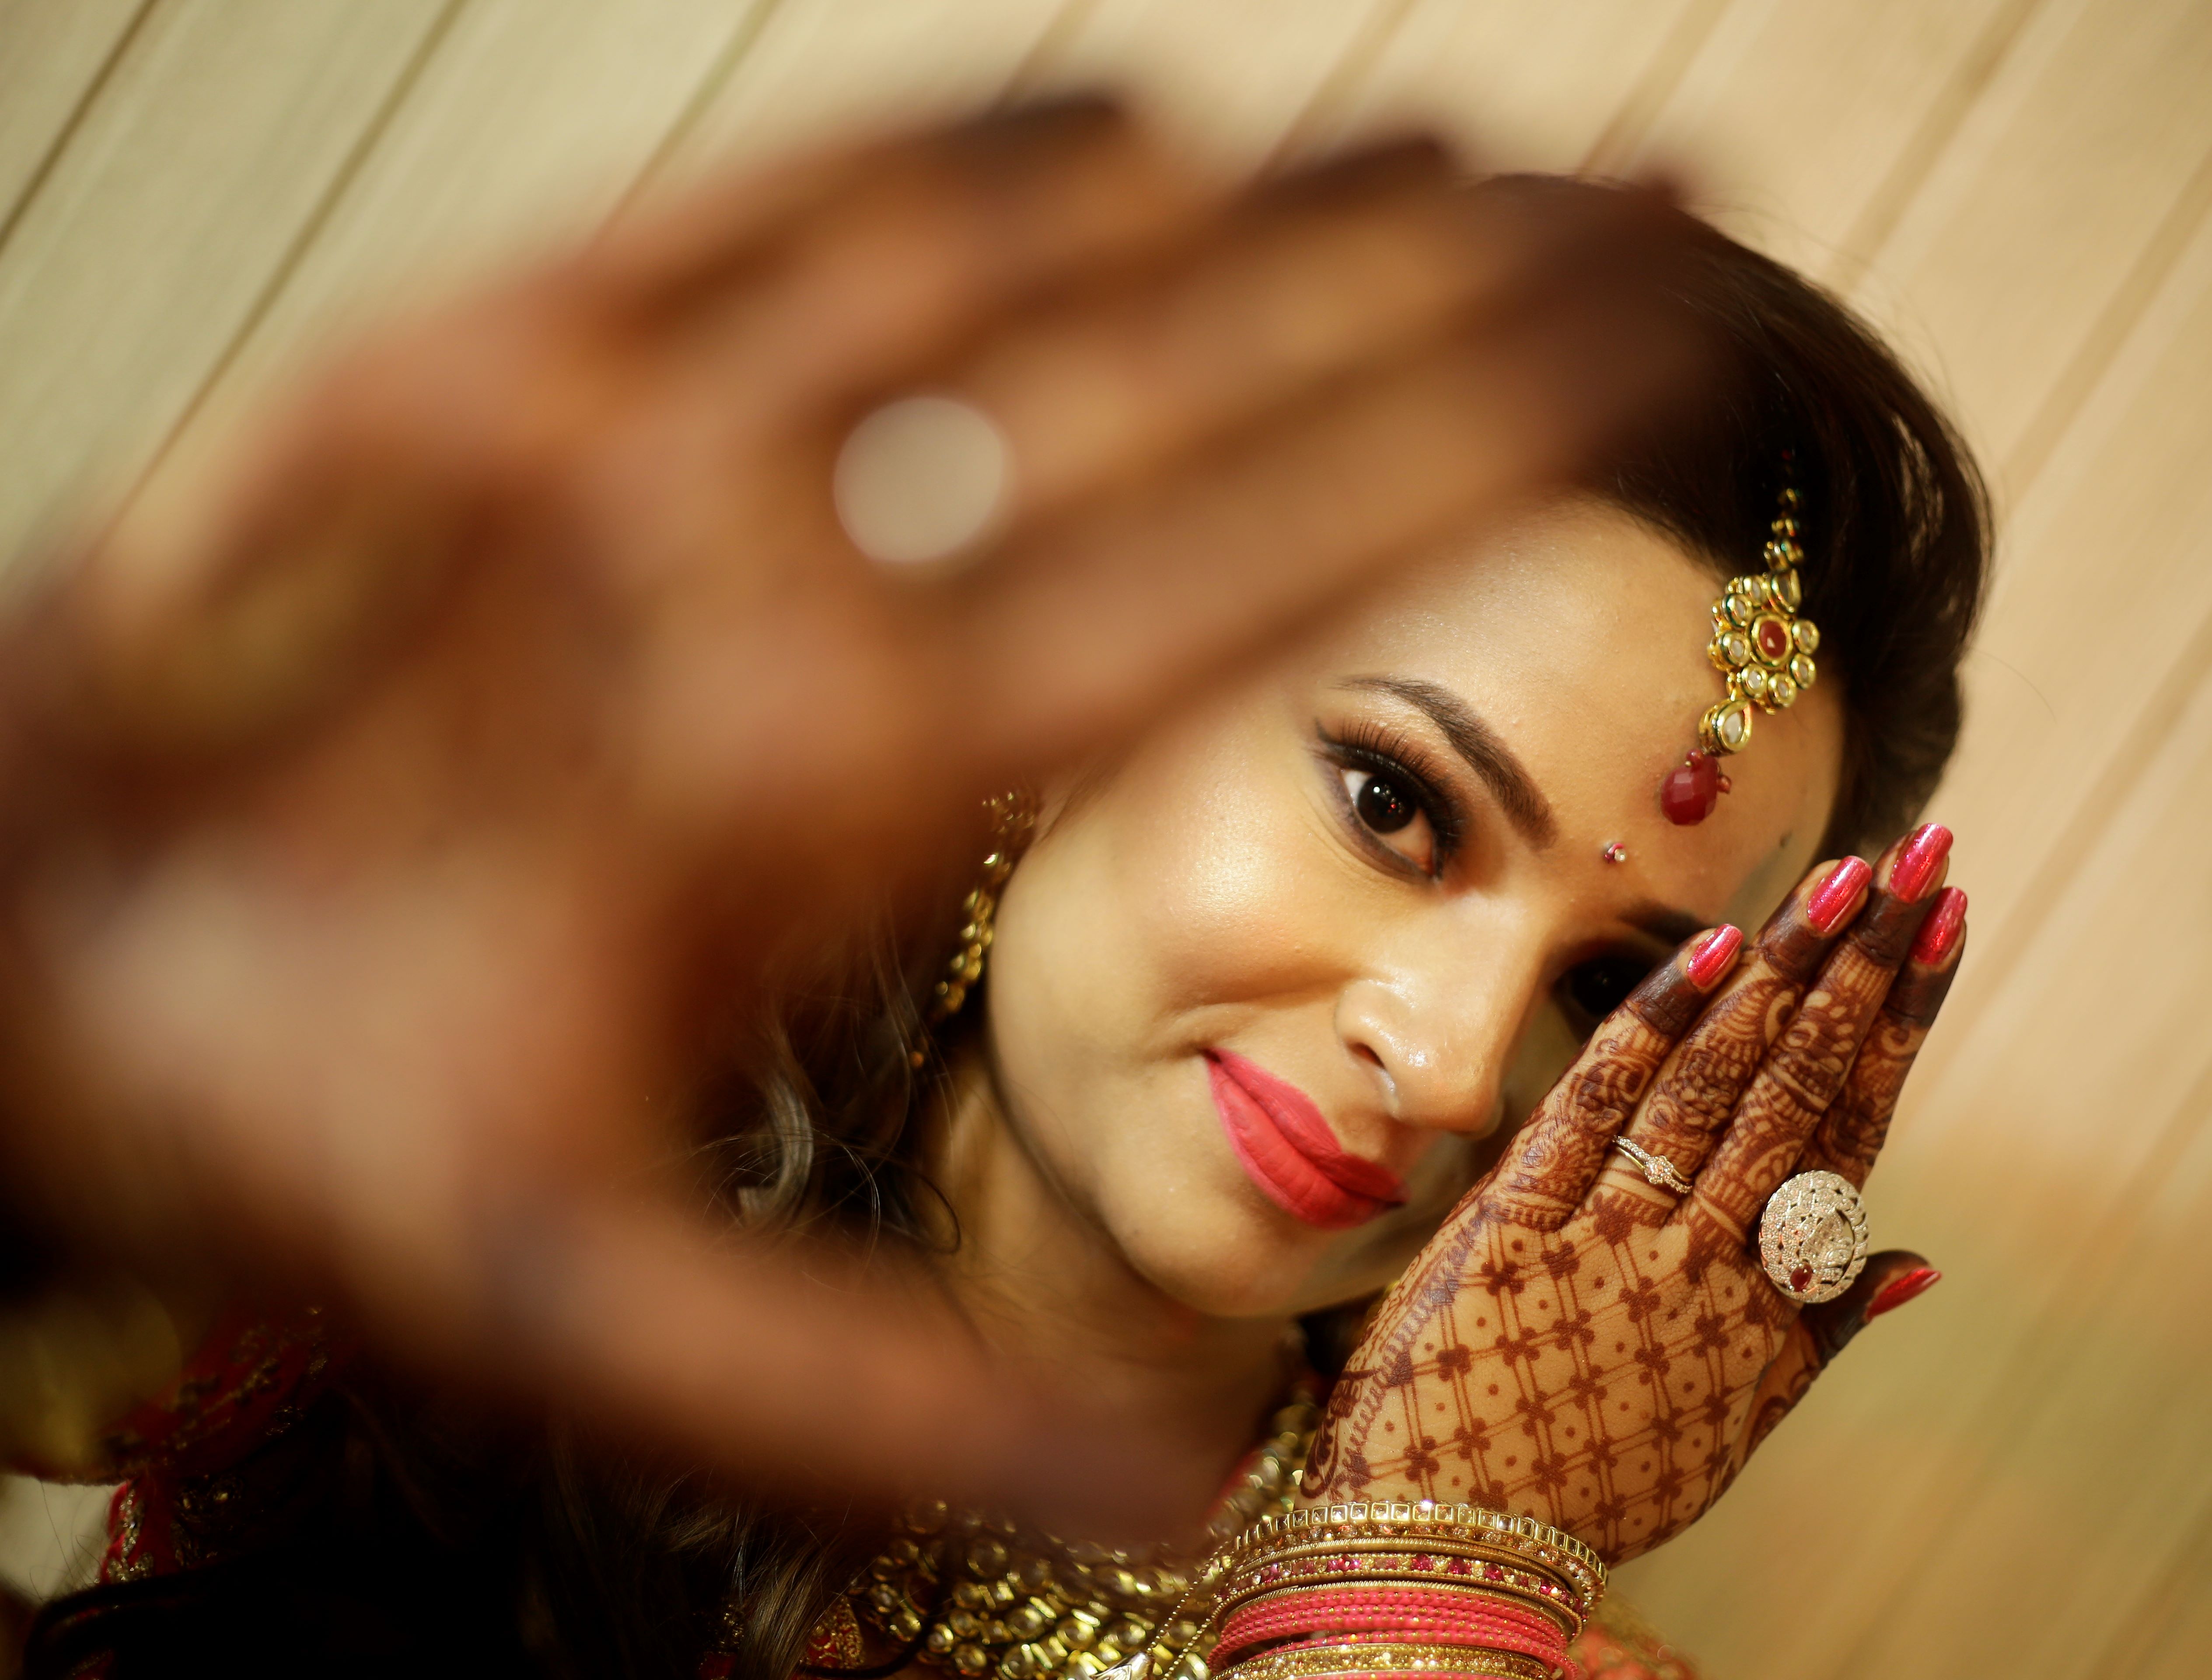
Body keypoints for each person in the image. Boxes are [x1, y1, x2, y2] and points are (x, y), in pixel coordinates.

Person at [0, 110, 1985, 1680]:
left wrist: (1406, 1610)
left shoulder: (1491, 1655)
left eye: (1614, 991)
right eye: (1393, 800)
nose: (1458, 1058)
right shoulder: (472, 1169)